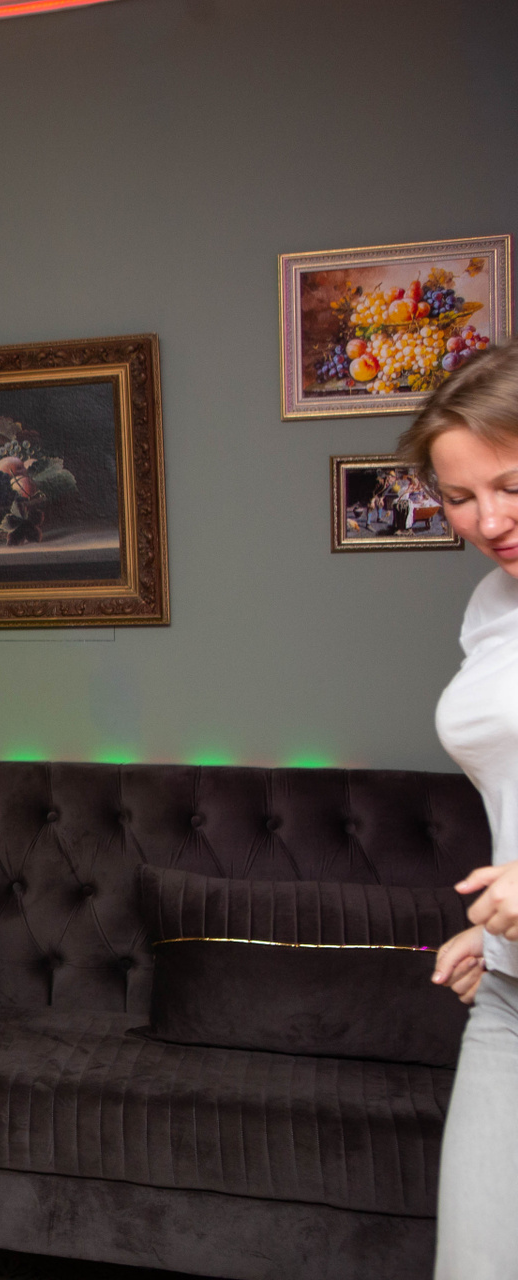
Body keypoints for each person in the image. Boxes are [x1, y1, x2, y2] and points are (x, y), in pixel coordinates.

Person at [400, 340, 518, 1280]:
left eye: (513, 486)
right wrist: (496, 921)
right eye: (461, 497)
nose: (490, 520)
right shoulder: (491, 606)